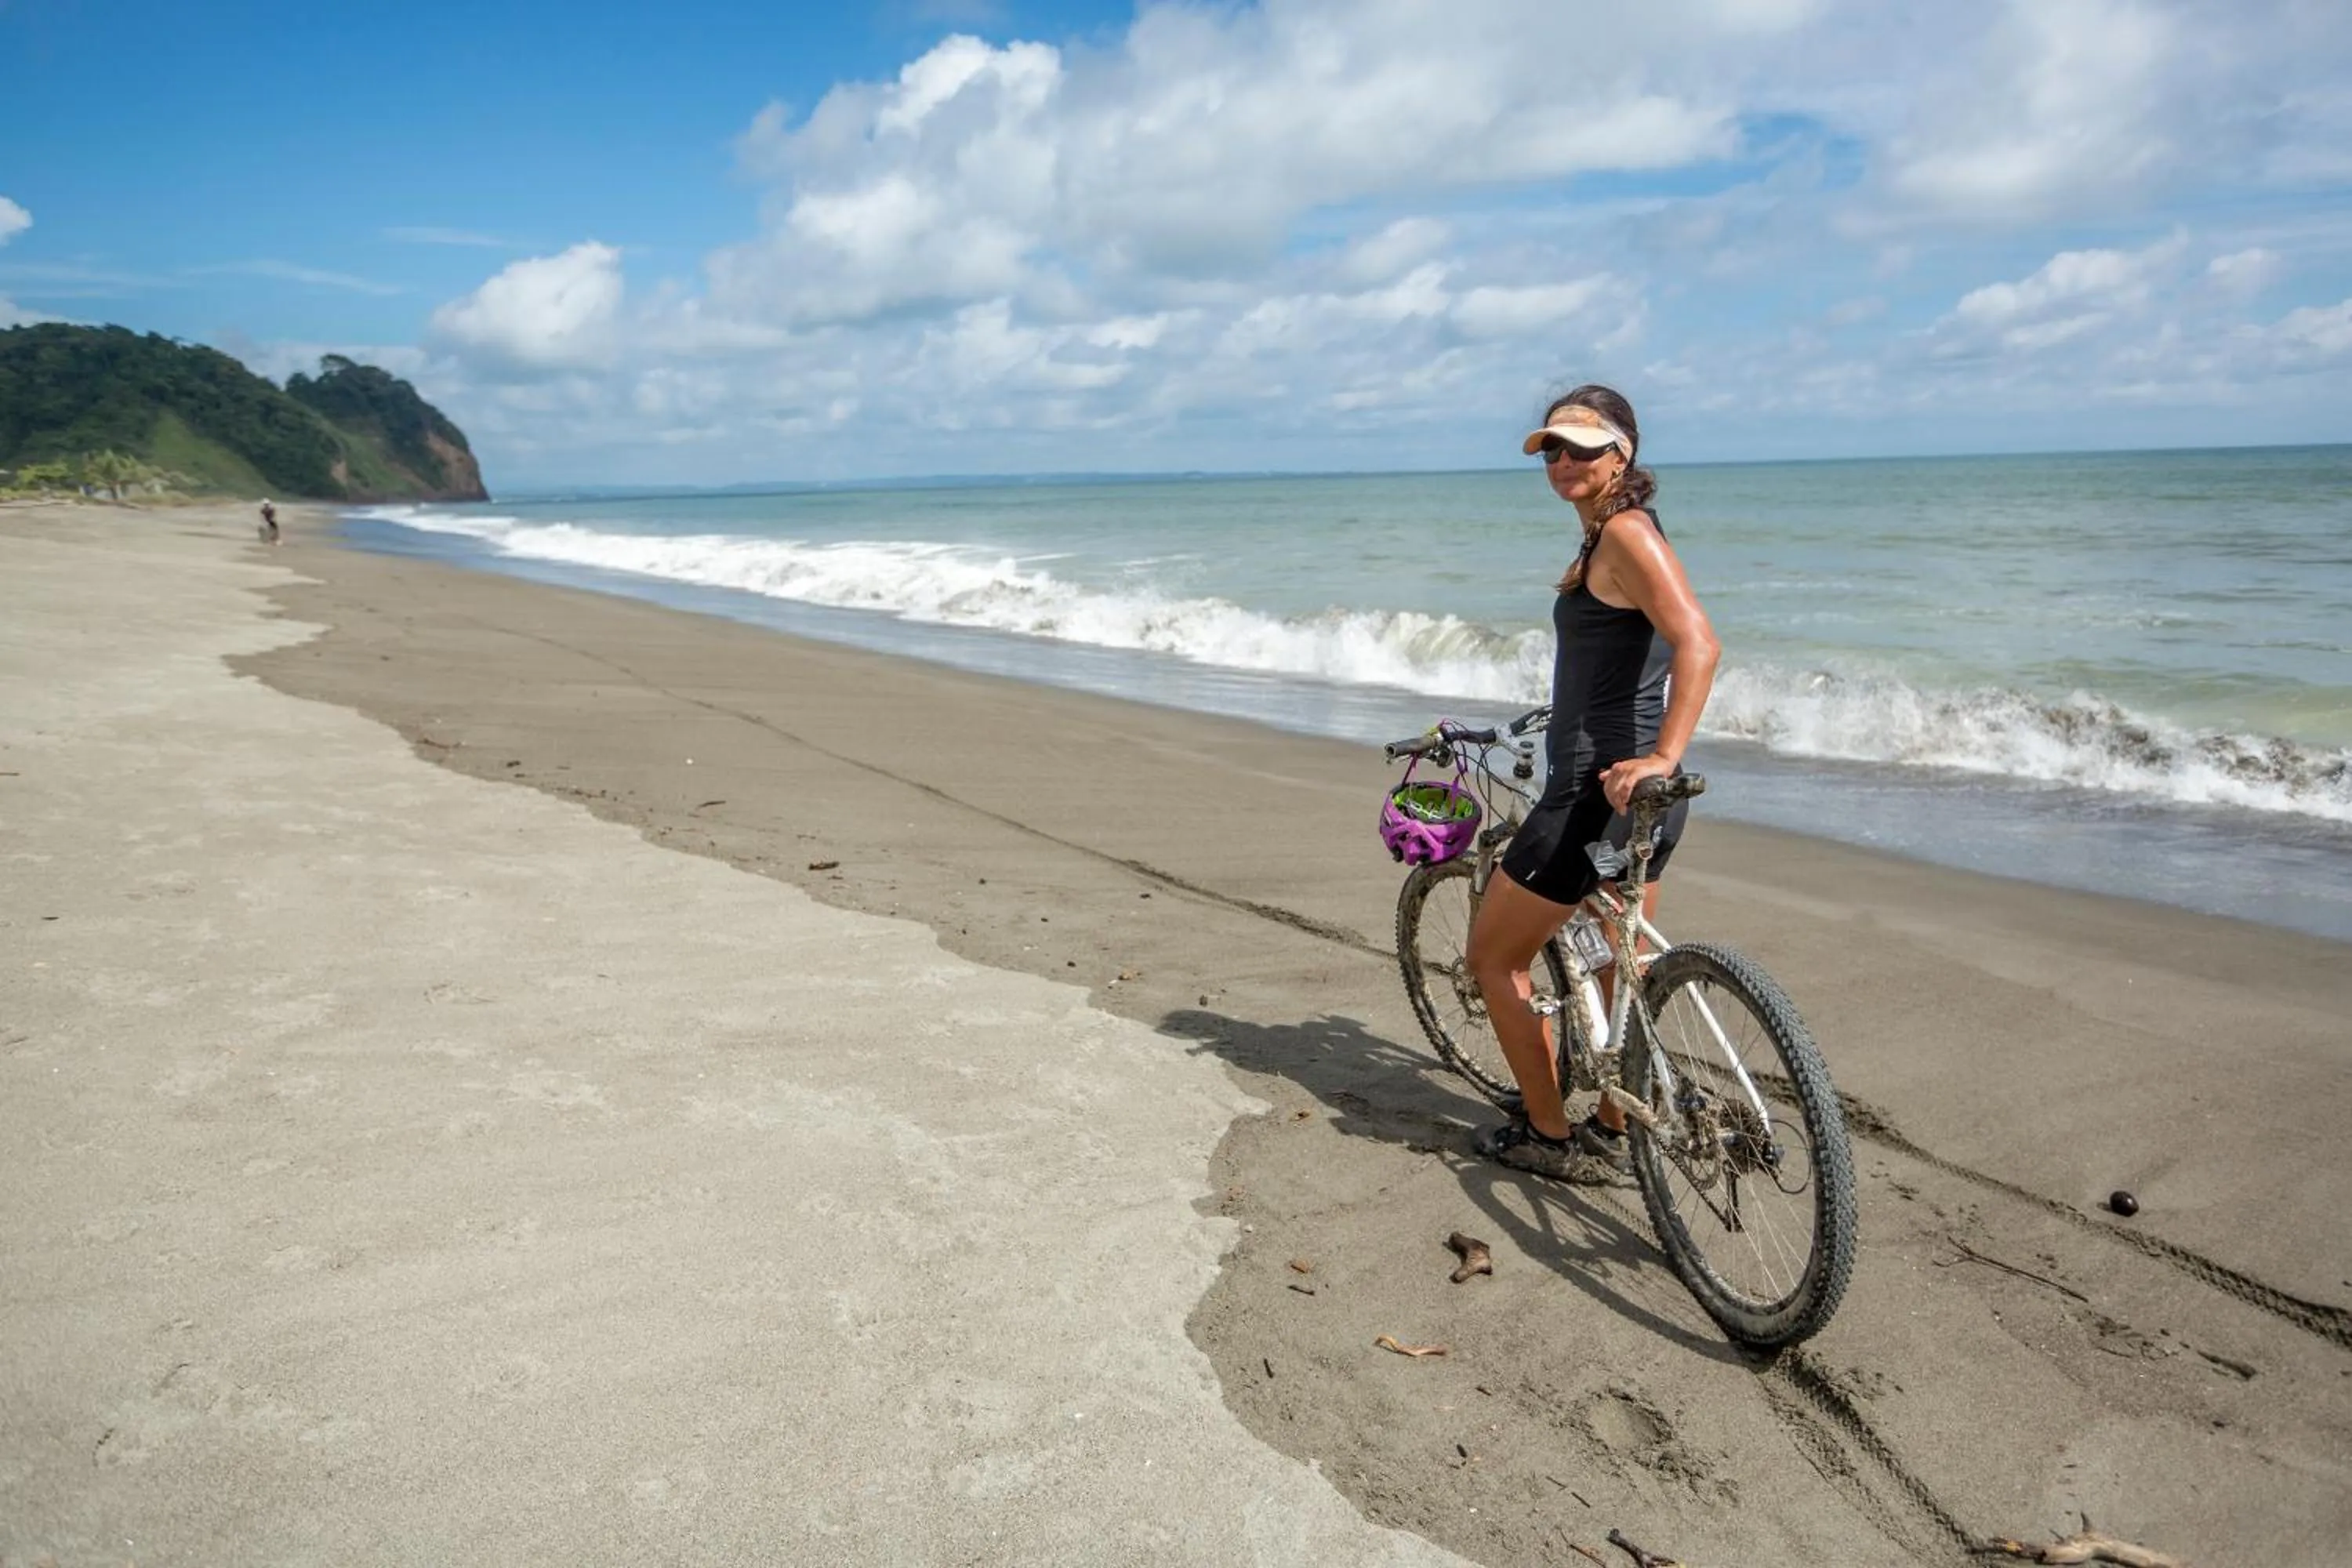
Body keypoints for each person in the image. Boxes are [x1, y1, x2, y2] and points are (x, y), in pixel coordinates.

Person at [1465, 384, 1720, 1181]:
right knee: (1617, 960)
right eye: (1553, 448)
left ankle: (1551, 1136)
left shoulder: (1626, 534)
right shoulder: (1604, 537)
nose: (1564, 461)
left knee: (1493, 959)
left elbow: (1699, 643)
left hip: (1591, 798)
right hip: (1635, 804)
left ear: (1625, 453)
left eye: (1584, 446)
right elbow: (1624, 661)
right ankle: (1615, 1119)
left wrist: (1663, 755)